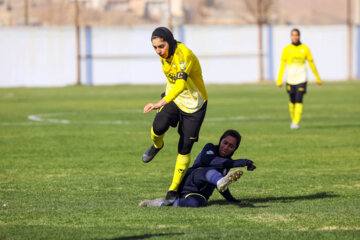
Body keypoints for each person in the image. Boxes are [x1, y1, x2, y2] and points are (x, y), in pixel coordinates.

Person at [142, 27, 208, 205]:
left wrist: (159, 103)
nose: (158, 51)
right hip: (174, 100)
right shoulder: (165, 56)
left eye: (161, 46)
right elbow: (172, 85)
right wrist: (166, 98)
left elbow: (180, 85)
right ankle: (157, 146)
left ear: (169, 42)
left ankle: (173, 189)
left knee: (184, 147)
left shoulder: (183, 55)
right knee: (158, 127)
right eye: (155, 47)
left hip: (195, 105)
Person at [139, 130, 256, 207]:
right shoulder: (210, 148)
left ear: (235, 149)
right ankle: (220, 180)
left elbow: (222, 187)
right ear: (220, 141)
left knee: (197, 203)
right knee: (209, 170)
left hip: (199, 193)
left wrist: (234, 201)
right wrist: (243, 162)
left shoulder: (227, 163)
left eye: (231, 146)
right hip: (189, 182)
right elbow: (208, 161)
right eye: (225, 143)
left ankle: (161, 203)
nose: (226, 147)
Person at [277, 28, 322, 129]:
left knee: (299, 99)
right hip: (290, 79)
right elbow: (282, 65)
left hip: (301, 78)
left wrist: (317, 78)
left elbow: (311, 63)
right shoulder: (286, 49)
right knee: (292, 100)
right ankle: (293, 120)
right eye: (293, 35)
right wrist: (279, 80)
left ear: (299, 36)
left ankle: (296, 122)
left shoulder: (305, 49)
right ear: (291, 36)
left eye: (296, 35)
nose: (295, 37)